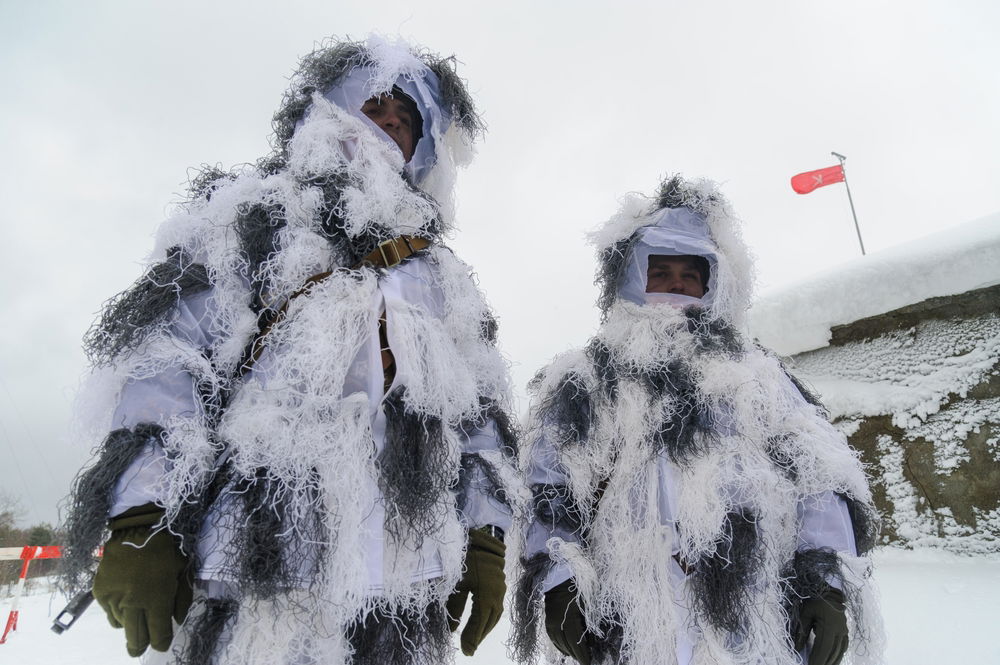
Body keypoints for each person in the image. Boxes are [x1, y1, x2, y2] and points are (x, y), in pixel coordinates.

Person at [60, 35, 517, 665]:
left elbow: (481, 421)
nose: (389, 125)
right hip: (259, 576)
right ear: (328, 111)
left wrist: (484, 540)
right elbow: (167, 367)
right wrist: (142, 518)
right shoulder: (248, 220)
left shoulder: (444, 278)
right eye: (375, 106)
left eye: (406, 120)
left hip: (405, 590)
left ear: (425, 146)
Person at [511, 175, 884, 665]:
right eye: (660, 272)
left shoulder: (758, 376)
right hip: (627, 617)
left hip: (750, 612)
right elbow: (547, 482)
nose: (677, 285)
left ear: (713, 284)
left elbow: (818, 473)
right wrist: (558, 581)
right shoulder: (586, 380)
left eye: (692, 274)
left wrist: (825, 579)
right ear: (630, 277)